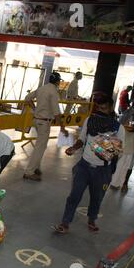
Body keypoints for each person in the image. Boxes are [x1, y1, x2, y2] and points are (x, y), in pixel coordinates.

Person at [53, 95, 124, 234]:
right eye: (98, 107)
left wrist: (106, 152)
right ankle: (65, 223)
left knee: (97, 198)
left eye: (104, 108)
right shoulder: (90, 120)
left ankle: (92, 219)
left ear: (110, 108)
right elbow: (82, 139)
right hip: (84, 166)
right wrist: (74, 148)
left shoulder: (118, 128)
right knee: (74, 195)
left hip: (102, 170)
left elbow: (119, 151)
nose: (100, 111)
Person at [23, 72, 68, 181]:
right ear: (57, 81)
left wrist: (35, 109)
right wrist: (62, 127)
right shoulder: (53, 92)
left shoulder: (42, 88)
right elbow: (56, 112)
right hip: (44, 122)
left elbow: (27, 98)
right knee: (40, 147)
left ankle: (36, 167)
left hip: (37, 120)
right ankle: (29, 172)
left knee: (40, 145)